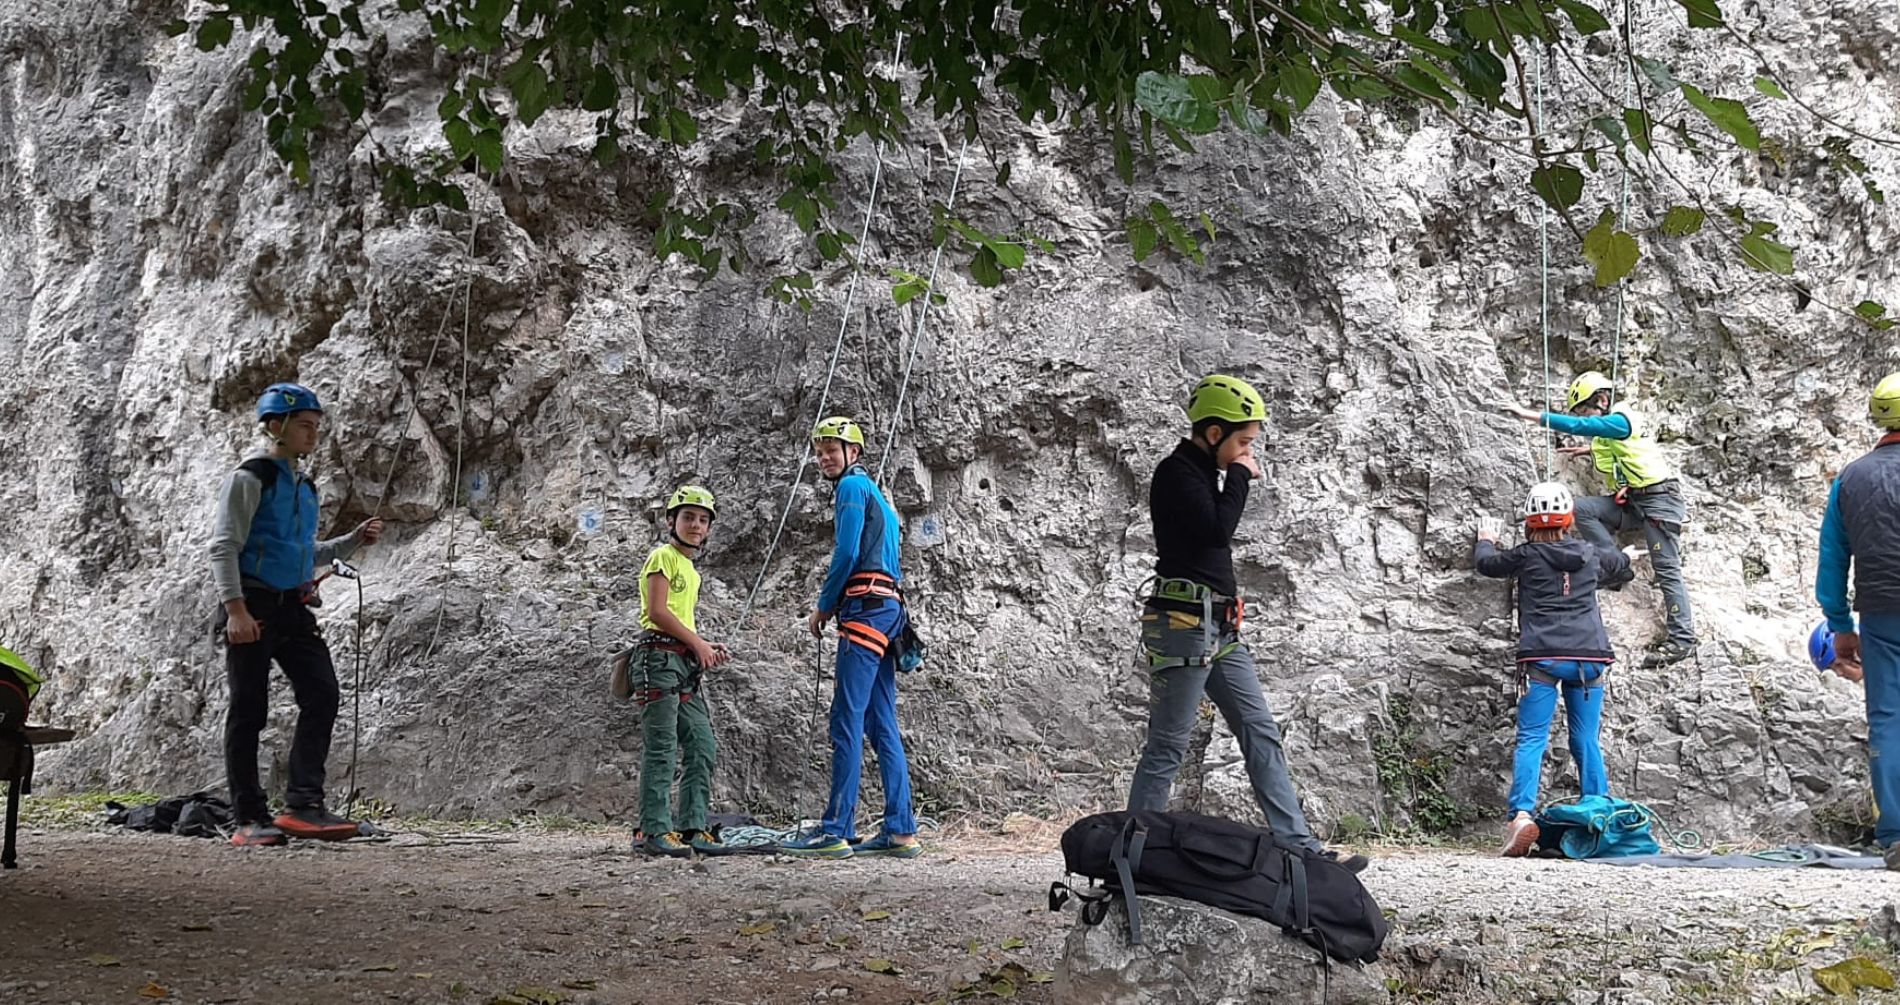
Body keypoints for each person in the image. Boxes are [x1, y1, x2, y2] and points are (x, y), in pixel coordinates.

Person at [1128, 375, 1365, 872]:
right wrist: (1239, 475)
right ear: (1213, 434)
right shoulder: (1176, 473)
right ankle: (1129, 855)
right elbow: (1217, 530)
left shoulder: (1200, 474)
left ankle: (1300, 850)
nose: (1247, 453)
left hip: (1217, 627)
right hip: (1184, 623)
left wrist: (1230, 473)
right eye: (1242, 442)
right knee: (1168, 745)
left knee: (1260, 731)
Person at [207, 382, 382, 847]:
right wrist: (235, 611)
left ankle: (303, 806)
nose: (312, 434)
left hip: (292, 607)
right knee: (249, 709)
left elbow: (303, 553)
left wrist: (352, 540)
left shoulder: (304, 485)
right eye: (304, 426)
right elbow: (224, 548)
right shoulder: (250, 478)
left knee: (322, 693)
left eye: (315, 427)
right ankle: (248, 818)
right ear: (275, 426)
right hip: (253, 604)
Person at [779, 417, 921, 860]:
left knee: (846, 718)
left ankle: (836, 828)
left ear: (854, 454)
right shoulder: (881, 498)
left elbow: (847, 552)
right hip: (890, 611)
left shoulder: (851, 490)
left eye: (833, 450)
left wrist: (824, 605)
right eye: (820, 451)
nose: (824, 458)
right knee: (881, 722)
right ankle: (901, 830)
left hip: (864, 608)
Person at [1473, 481, 1631, 856]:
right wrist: (1627, 558)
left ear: (1529, 520)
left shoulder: (1525, 556)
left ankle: (1522, 817)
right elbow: (1621, 566)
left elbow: (1487, 565)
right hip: (1589, 658)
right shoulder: (1591, 554)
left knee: (1532, 738)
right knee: (1586, 737)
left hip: (1543, 658)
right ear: (1570, 518)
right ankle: (1599, 809)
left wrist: (1485, 538)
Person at [1503, 371, 1698, 667]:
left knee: (1667, 568)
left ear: (1602, 400)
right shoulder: (1614, 430)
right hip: (1637, 501)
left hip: (1659, 501)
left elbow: (1586, 426)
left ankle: (1682, 639)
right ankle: (1616, 567)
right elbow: (1623, 448)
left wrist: (1530, 416)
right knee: (1581, 508)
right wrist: (1589, 449)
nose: (1585, 418)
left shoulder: (1621, 419)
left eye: (1586, 408)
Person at [1816, 371, 1900, 870]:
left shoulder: (1851, 476)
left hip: (1882, 612)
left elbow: (1832, 558)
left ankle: (1895, 836)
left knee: (1889, 718)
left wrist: (1840, 623)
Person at [629, 486, 729, 858]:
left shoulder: (688, 567)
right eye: (688, 517)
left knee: (702, 744)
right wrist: (698, 645)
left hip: (680, 662)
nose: (696, 525)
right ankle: (653, 830)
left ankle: (692, 826)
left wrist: (701, 646)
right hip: (657, 661)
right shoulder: (663, 557)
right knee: (662, 748)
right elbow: (657, 612)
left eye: (703, 520)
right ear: (671, 521)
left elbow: (677, 618)